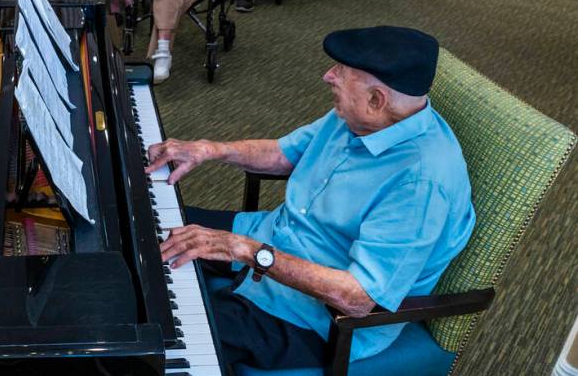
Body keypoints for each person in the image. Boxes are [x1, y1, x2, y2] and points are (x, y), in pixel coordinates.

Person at [146, 25, 475, 371]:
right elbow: (284, 154)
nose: (327, 76)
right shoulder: (361, 117)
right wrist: (208, 150)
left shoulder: (421, 184)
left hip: (311, 317)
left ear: (376, 99)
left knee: (161, 342)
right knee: (145, 225)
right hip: (270, 237)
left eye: (342, 73)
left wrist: (244, 250)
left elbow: (357, 298)